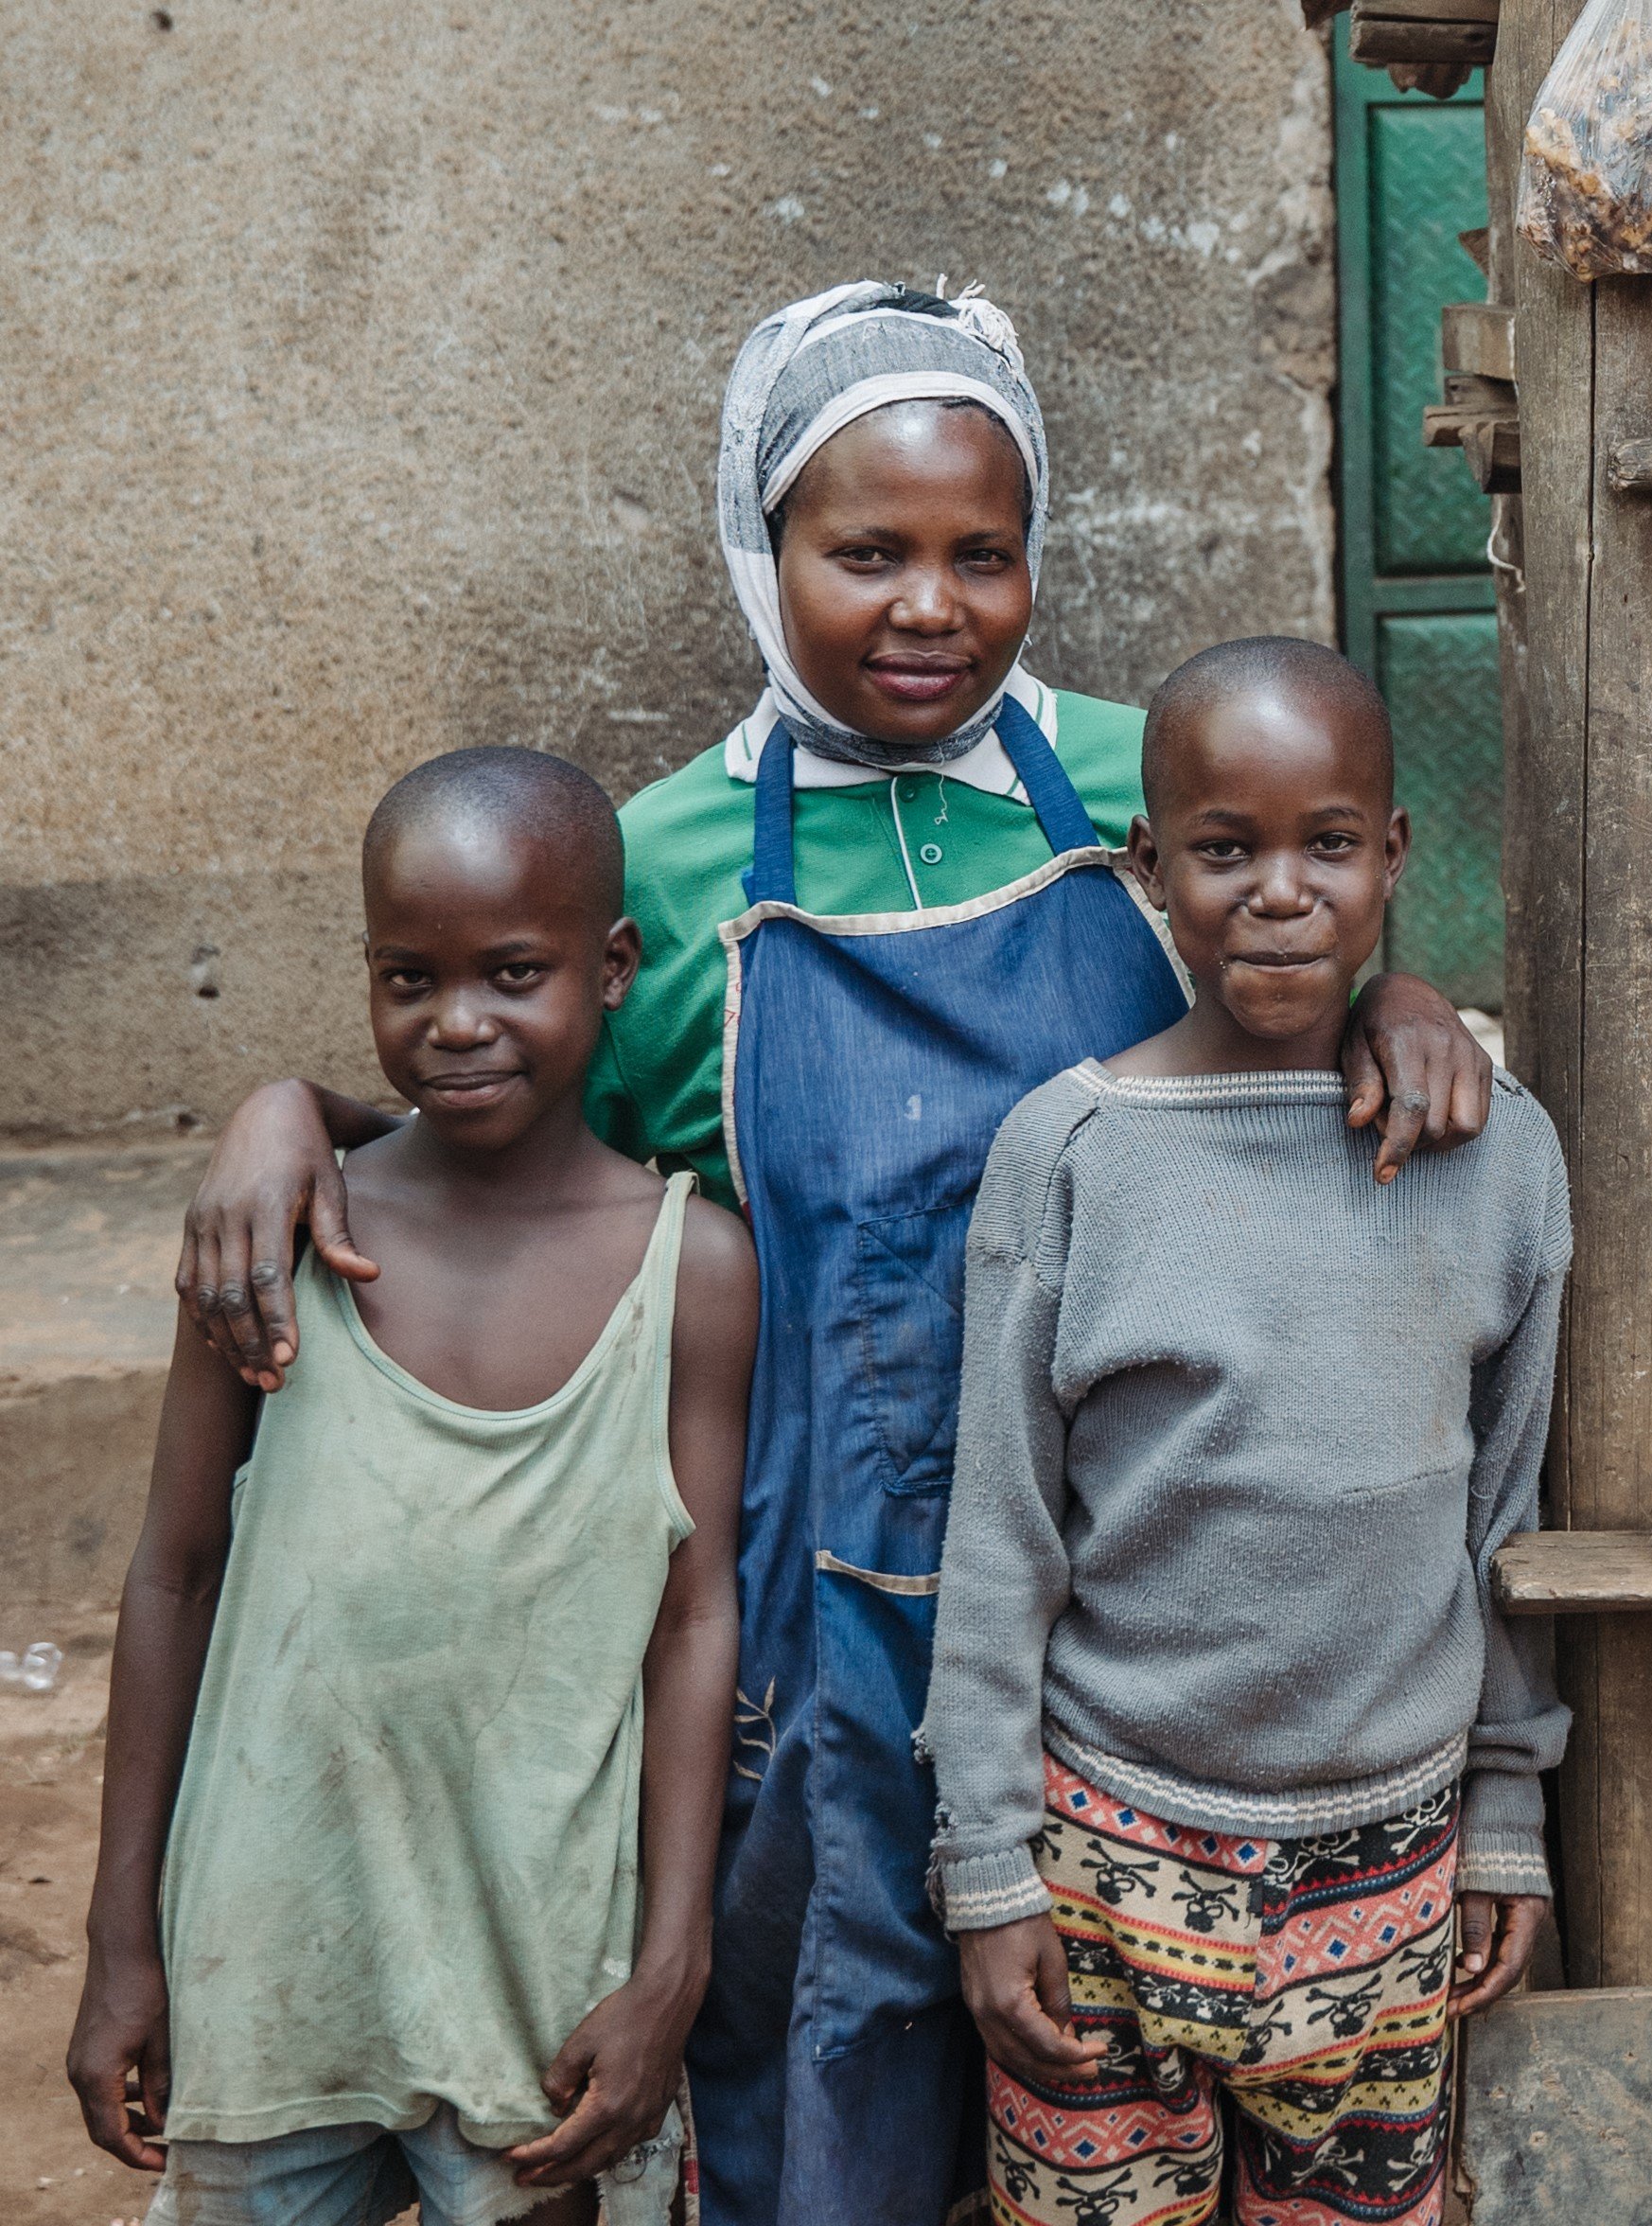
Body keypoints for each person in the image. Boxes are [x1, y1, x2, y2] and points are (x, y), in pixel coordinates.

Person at [162, 284, 1498, 2226]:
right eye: (860, 553)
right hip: (812, 1600)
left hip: (1137, 1584)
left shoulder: (1163, 774)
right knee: (824, 2079)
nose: (927, 607)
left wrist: (1410, 999)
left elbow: (1306, 922)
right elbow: (502, 1120)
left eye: (982, 554)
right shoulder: (667, 858)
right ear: (756, 547)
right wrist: (286, 1111)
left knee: (1112, 2103)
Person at [923, 637, 1567, 2226]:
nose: (1279, 892)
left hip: (1391, 1865)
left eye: (1328, 845)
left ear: (1392, 855)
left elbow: (1504, 1517)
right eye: (1225, 850)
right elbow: (1002, 1537)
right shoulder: (1069, 1156)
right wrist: (990, 1868)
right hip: (1107, 1859)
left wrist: (1505, 1809)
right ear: (1150, 866)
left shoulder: (1500, 1158)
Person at [67, 749, 757, 2226]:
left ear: (614, 966)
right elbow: (172, 1576)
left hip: (540, 1988)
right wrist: (123, 1938)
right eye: (408, 978)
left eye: (514, 972)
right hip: (267, 1963)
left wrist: (670, 1966)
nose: (457, 1024)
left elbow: (696, 1621)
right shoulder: (272, 1243)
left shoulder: (689, 1272)